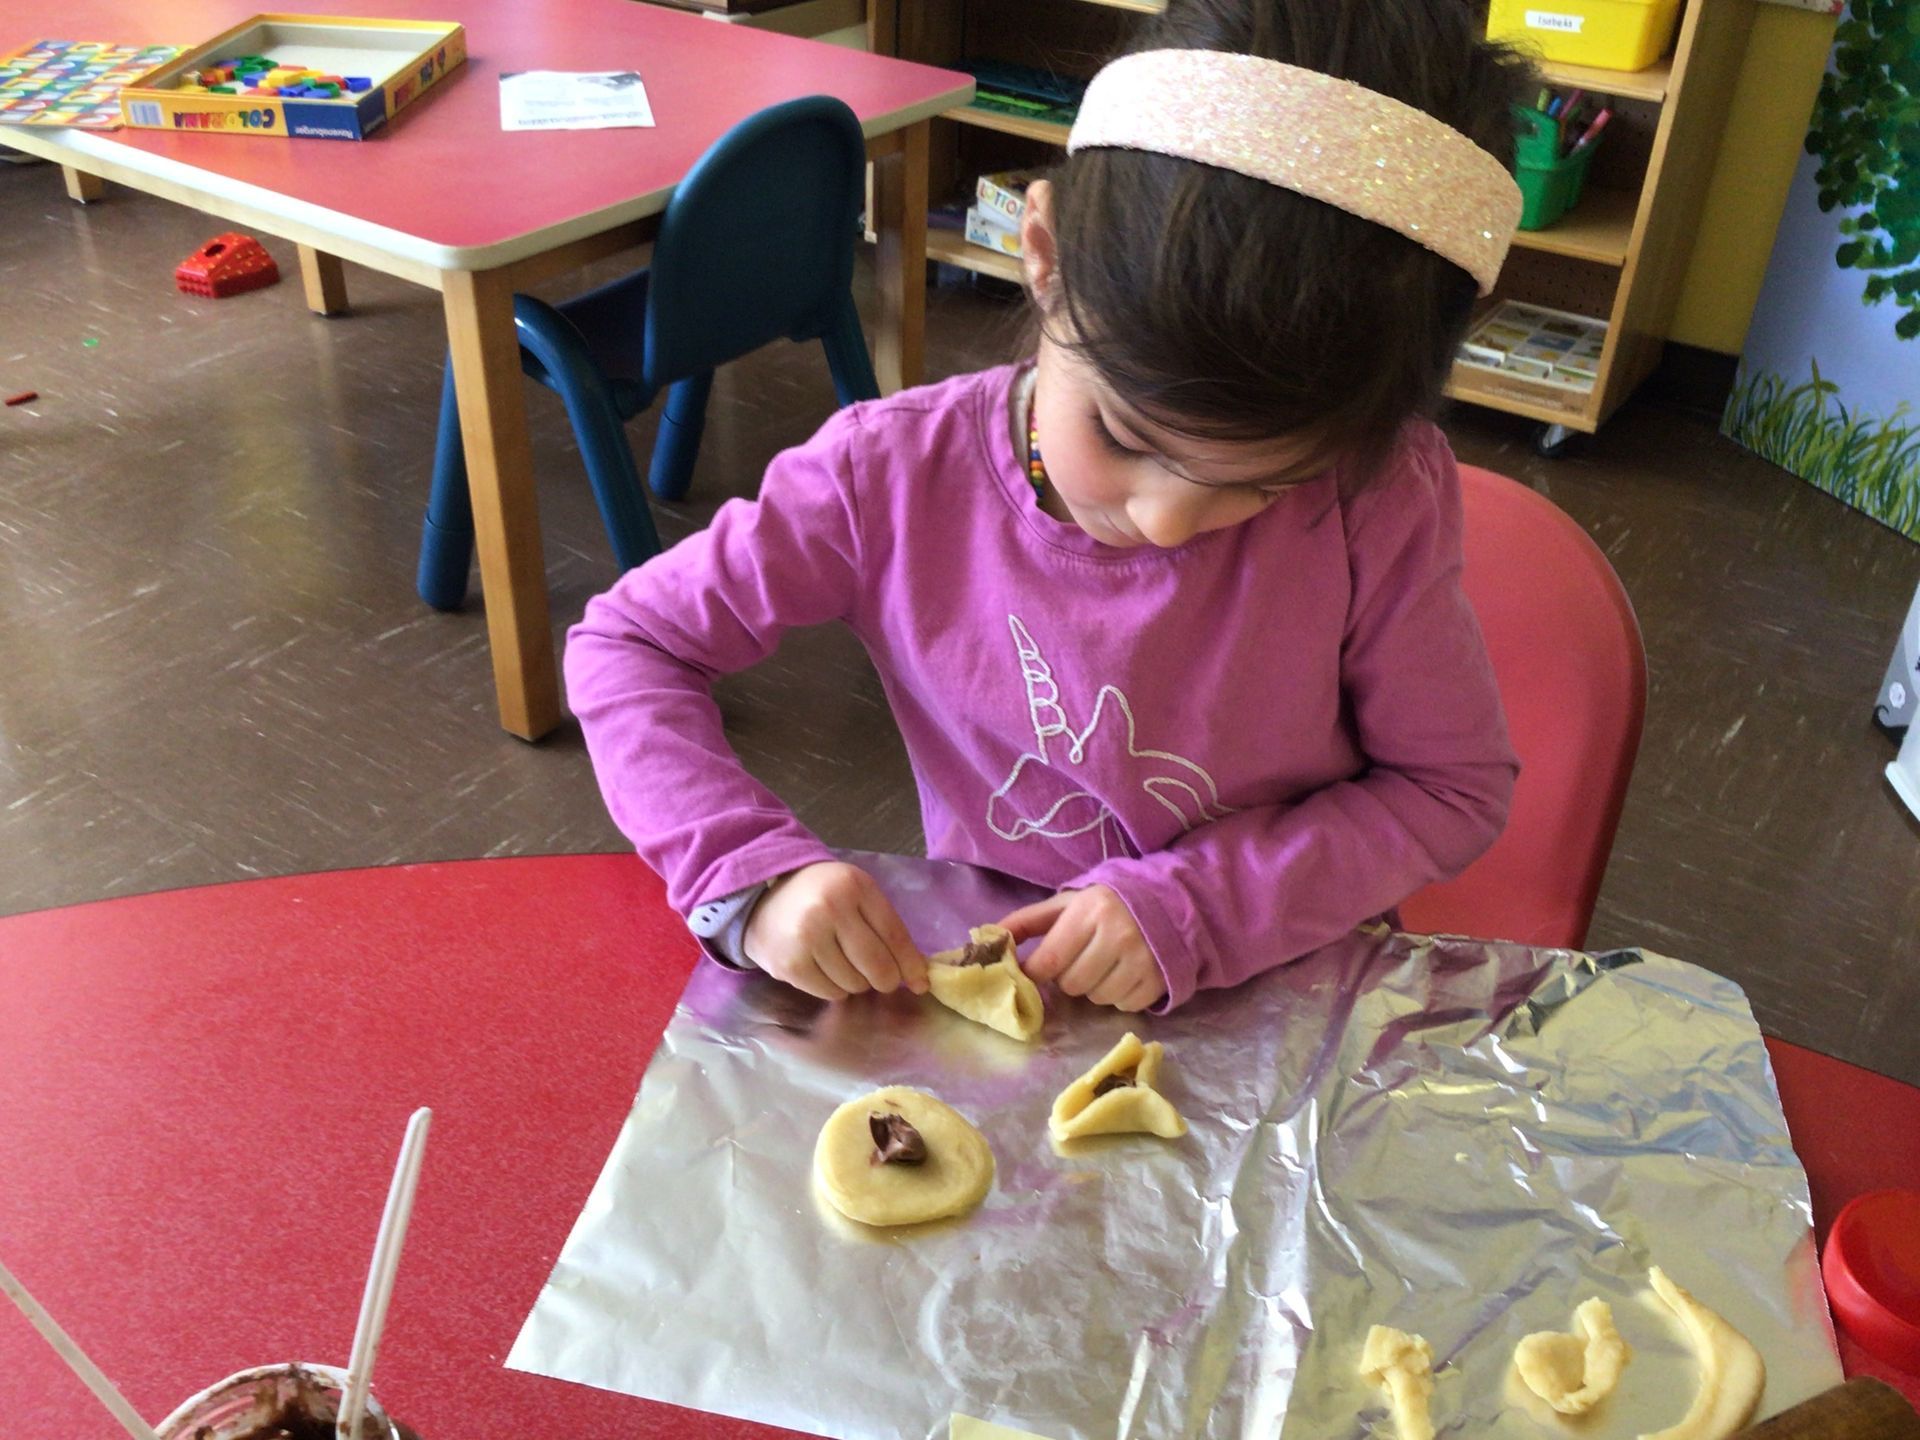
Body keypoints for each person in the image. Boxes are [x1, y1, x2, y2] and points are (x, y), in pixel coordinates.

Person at [566, 0, 1532, 1013]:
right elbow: (630, 645)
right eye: (1124, 438)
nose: (1166, 523)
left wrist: (1198, 910)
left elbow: (1448, 789)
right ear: (1044, 252)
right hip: (1016, 995)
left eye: (1263, 484)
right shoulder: (886, 478)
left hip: (1289, 994)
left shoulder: (1377, 493)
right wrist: (747, 876)